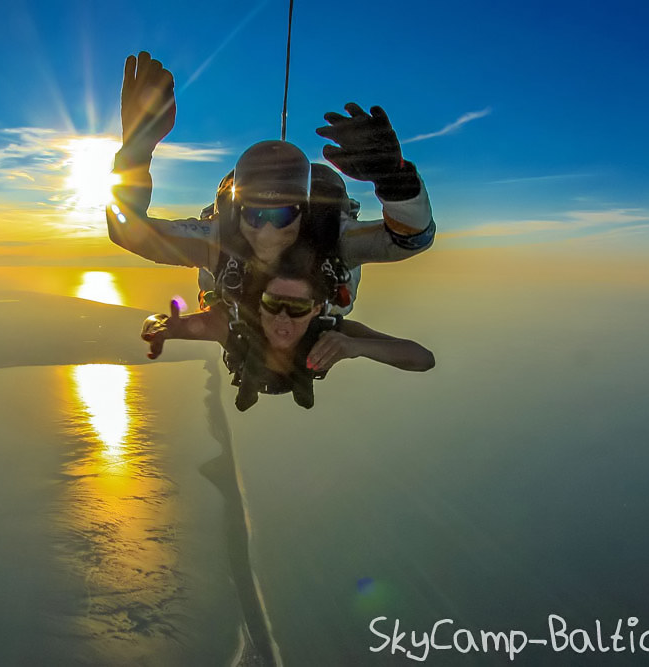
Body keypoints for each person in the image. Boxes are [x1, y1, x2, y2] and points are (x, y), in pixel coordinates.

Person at [107, 51, 437, 316]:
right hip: (242, 310)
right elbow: (410, 237)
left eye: (281, 215)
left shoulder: (328, 236)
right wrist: (136, 148)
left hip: (311, 317)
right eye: (254, 215)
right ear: (237, 212)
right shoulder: (222, 238)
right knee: (224, 305)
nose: (266, 232)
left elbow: (411, 240)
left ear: (304, 213)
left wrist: (394, 178)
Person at [141, 245, 435, 410]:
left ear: (314, 308)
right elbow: (422, 359)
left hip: (248, 277)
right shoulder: (325, 331)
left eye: (295, 308)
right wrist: (354, 346)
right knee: (342, 298)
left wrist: (160, 328)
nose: (283, 317)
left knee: (217, 291)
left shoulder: (232, 330)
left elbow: (157, 323)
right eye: (273, 303)